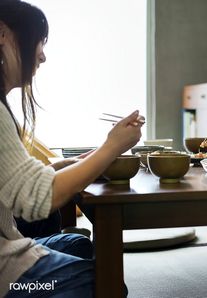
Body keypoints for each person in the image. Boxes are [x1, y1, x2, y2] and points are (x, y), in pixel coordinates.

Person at [1, 1, 143, 297]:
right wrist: (111, 146)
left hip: (9, 243)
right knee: (107, 282)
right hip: (5, 270)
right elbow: (38, 197)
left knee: (79, 245)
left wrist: (96, 155)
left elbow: (17, 179)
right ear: (2, 33)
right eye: (38, 40)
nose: (42, 54)